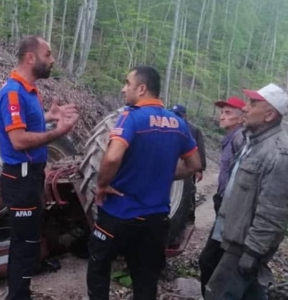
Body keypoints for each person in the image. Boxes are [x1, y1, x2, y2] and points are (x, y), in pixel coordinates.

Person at [86, 65, 202, 300]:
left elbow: (112, 156)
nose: (122, 89)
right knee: (146, 280)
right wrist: (164, 174)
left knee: (99, 269)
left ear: (141, 88)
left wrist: (102, 185)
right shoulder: (178, 124)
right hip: (155, 221)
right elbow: (194, 165)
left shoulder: (131, 118)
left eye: (127, 83)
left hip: (119, 214)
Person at [0, 35, 79, 300]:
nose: (52, 60)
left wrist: (49, 117)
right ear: (31, 58)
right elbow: (18, 140)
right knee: (24, 244)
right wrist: (59, 132)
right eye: (48, 54)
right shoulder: (12, 93)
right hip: (20, 178)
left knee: (29, 239)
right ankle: (18, 296)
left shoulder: (28, 91)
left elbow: (24, 124)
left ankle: (23, 291)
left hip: (31, 176)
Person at [205, 83, 288, 300]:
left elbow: (273, 213)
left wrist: (252, 253)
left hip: (245, 247)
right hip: (235, 240)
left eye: (252, 103)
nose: (245, 108)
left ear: (269, 115)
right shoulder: (253, 142)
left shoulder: (279, 154)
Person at [197, 96, 246, 297]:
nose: (221, 116)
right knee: (216, 259)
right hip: (223, 203)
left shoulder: (240, 138)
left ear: (242, 118)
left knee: (209, 259)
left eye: (228, 113)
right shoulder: (231, 138)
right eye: (222, 112)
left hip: (231, 207)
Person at [169, 104, 207, 224]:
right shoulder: (168, 126)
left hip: (188, 166)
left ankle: (190, 217)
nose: (176, 117)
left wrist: (200, 169)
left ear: (185, 116)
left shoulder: (193, 129)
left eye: (179, 115)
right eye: (174, 114)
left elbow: (199, 148)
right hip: (173, 165)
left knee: (190, 191)